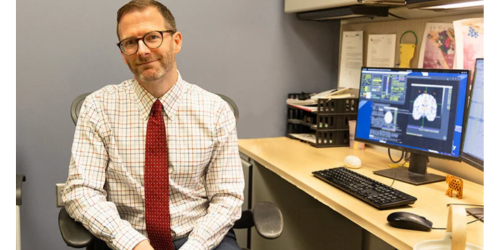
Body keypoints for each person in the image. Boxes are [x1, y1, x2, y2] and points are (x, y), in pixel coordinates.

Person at [61, 1, 244, 250]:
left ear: (176, 41)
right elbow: (81, 192)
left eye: (153, 37)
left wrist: (195, 246)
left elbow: (227, 198)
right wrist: (133, 244)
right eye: (130, 42)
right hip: (125, 239)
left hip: (199, 239)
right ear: (123, 54)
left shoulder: (215, 111)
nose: (142, 50)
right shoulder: (98, 107)